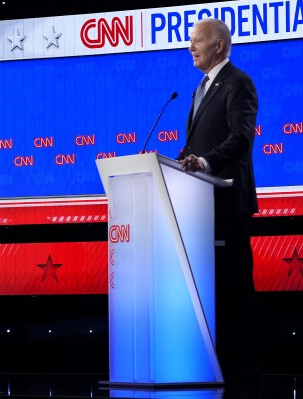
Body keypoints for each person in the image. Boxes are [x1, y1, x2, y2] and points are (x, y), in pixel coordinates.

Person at [177, 18, 260, 386]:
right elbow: (196, 144)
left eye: (197, 41)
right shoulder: (200, 88)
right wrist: (183, 160)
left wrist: (206, 162)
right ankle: (215, 366)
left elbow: (241, 138)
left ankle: (244, 371)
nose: (190, 47)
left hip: (227, 202)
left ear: (219, 46)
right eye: (190, 41)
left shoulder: (238, 83)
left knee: (234, 288)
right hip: (201, 207)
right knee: (211, 290)